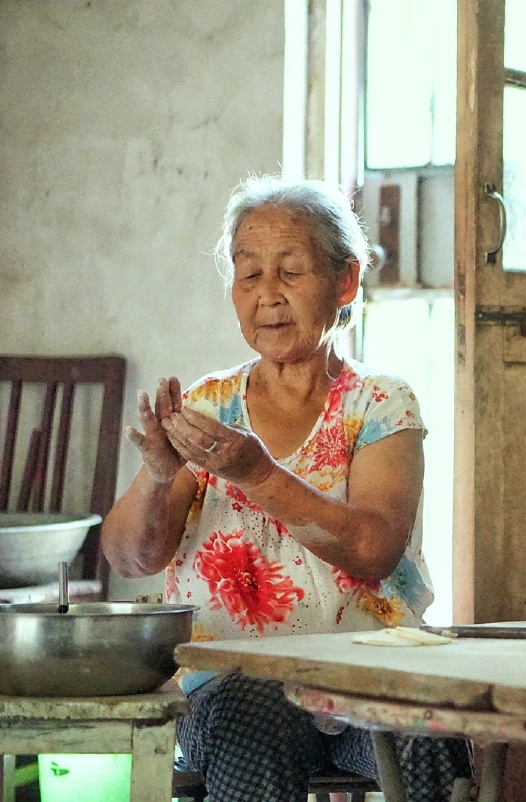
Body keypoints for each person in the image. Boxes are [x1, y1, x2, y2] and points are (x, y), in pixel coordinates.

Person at [100, 174, 471, 802]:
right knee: (258, 723)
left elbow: (374, 549)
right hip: (235, 680)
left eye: (291, 271)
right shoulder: (208, 406)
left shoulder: (381, 404)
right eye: (249, 275)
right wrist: (160, 476)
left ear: (344, 281)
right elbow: (130, 558)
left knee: (432, 739)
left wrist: (257, 474)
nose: (267, 295)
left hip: (372, 669)